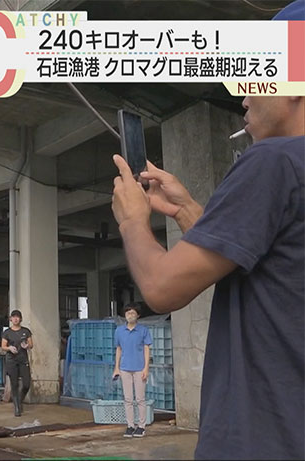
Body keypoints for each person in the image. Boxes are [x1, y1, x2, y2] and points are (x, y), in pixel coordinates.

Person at [111, 2, 304, 458]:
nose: (243, 95)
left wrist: (133, 221)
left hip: (261, 441)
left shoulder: (273, 161)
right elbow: (270, 269)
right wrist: (187, 213)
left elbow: (161, 288)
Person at [112, 302, 152, 438]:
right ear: (125, 315)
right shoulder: (119, 331)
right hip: (124, 368)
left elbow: (147, 349)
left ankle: (141, 426)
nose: (130, 315)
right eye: (128, 313)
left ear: (138, 315)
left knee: (140, 399)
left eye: (133, 313)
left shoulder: (143, 330)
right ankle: (130, 425)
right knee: (128, 399)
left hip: (139, 368)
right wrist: (116, 368)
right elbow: (118, 349)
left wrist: (146, 368)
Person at [1, 310, 32, 416]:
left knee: (27, 384)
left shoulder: (26, 331)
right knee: (14, 384)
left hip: (23, 359)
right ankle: (17, 408)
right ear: (10, 319)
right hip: (11, 360)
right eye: (13, 317)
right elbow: (3, 346)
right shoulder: (7, 332)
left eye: (17, 317)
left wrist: (27, 346)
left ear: (21, 319)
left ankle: (19, 400)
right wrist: (9, 348)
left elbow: (31, 344)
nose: (15, 319)